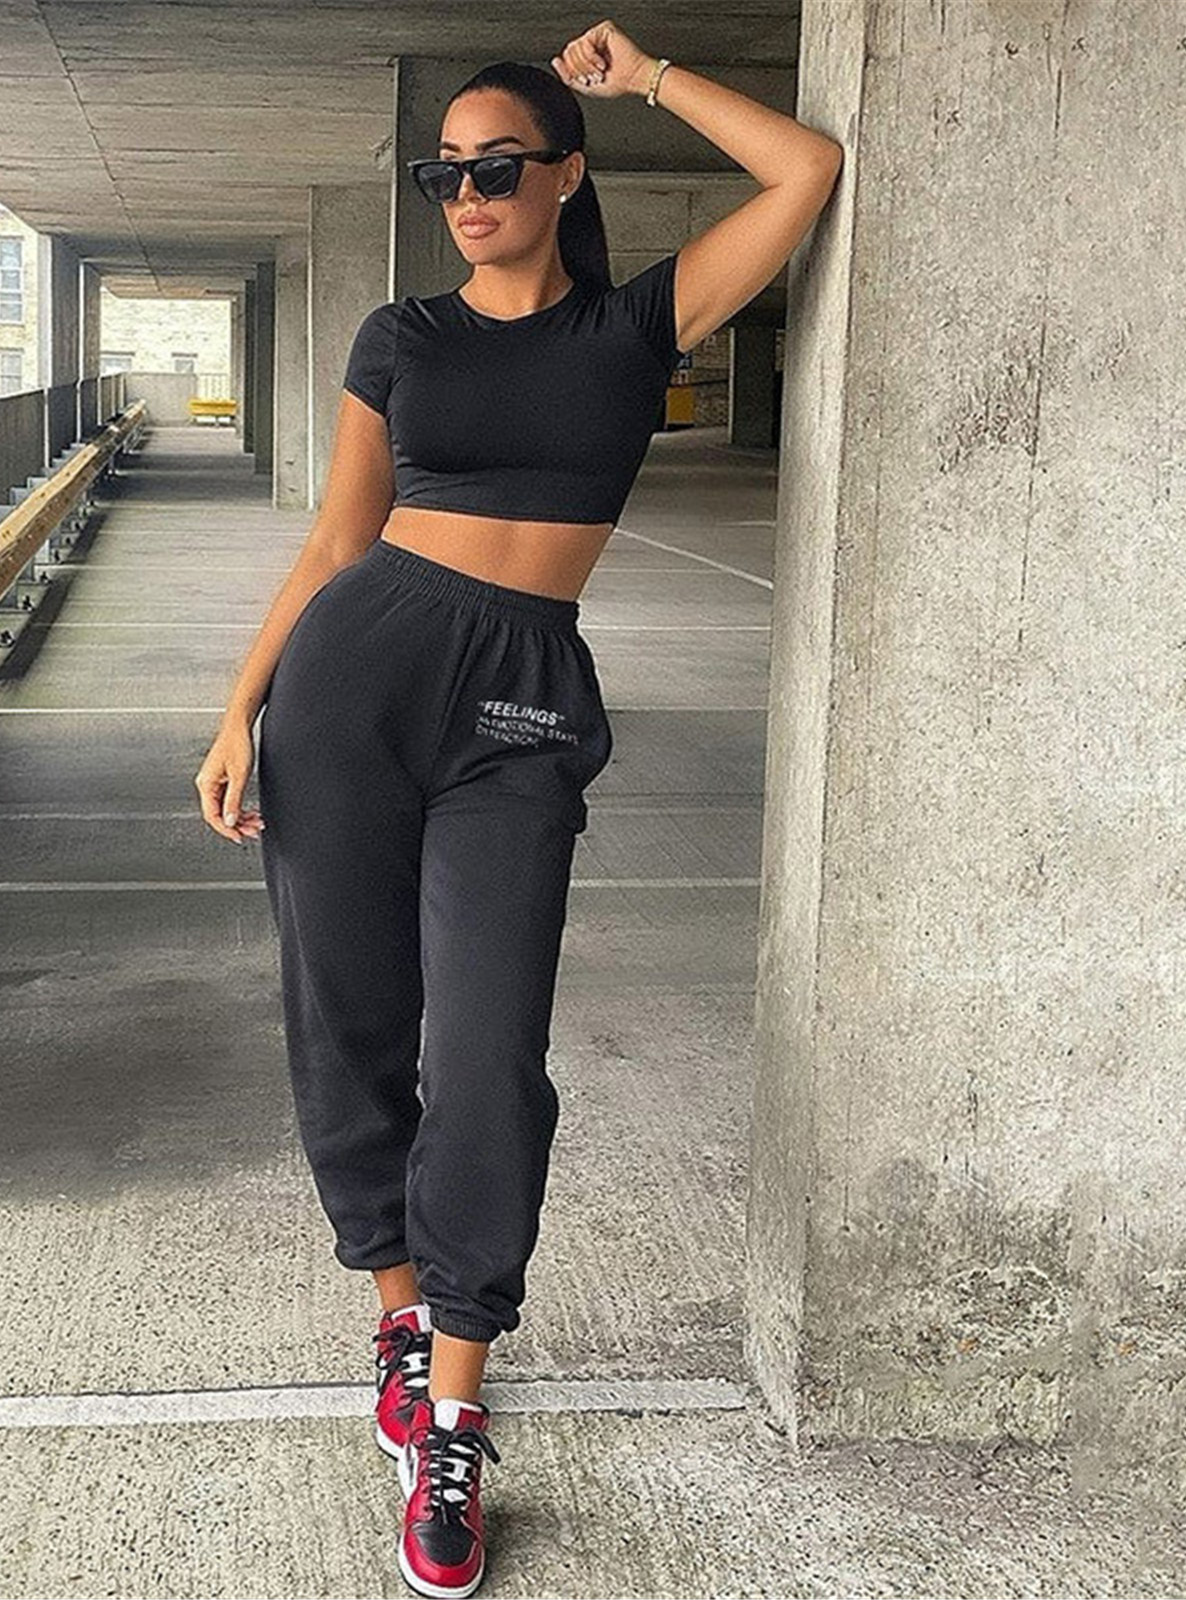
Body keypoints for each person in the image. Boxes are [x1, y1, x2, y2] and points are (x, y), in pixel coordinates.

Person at [196, 21, 841, 1597]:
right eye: (447, 176)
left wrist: (651, 79)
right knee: (348, 1020)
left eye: (498, 169)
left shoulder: (635, 326)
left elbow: (806, 171)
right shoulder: (398, 335)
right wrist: (238, 708)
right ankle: (400, 1327)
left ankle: (457, 1415)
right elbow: (338, 543)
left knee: (487, 1054)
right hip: (352, 684)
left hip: (521, 703)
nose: (469, 195)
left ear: (563, 178)